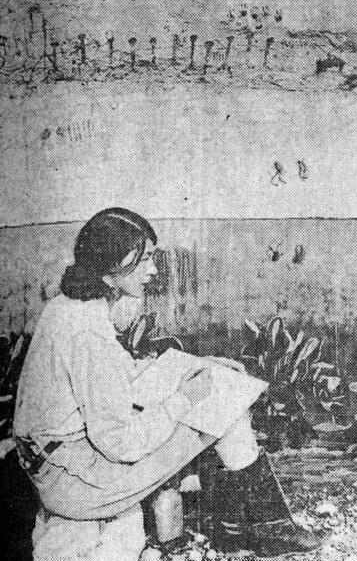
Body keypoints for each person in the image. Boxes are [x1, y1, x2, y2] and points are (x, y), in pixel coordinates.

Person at [13, 208, 323, 561]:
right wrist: (182, 399)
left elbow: (114, 377)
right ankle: (262, 528)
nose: (153, 270)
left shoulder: (71, 305)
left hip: (54, 462)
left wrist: (198, 365)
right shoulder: (88, 333)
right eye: (143, 260)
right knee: (225, 406)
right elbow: (121, 444)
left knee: (218, 386)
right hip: (74, 484)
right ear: (110, 269)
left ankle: (244, 527)